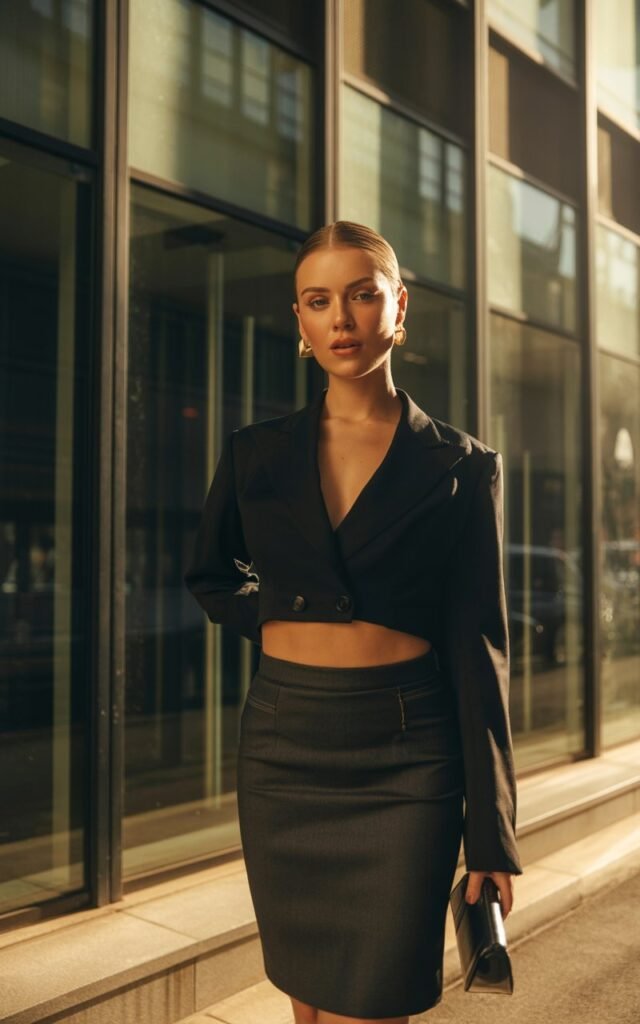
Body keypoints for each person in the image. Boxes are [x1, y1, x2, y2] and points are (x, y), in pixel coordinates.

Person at [184, 221, 523, 1024]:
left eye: (363, 295)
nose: (342, 318)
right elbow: (208, 574)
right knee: (312, 1003)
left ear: (398, 308)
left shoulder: (460, 466)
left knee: (371, 1006)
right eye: (319, 300)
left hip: (409, 760)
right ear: (299, 322)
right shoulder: (255, 454)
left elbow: (481, 650)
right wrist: (281, 616)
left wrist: (494, 835)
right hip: (283, 748)